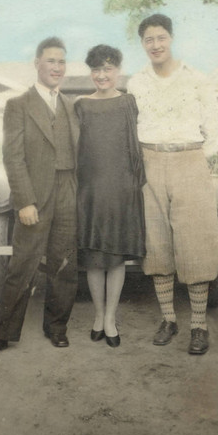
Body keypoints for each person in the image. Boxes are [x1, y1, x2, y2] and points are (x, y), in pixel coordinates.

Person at [0, 37, 79, 362]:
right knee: (21, 266)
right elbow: (13, 157)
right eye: (51, 61)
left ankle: (56, 327)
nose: (57, 68)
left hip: (67, 191)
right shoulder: (18, 105)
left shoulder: (71, 106)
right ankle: (0, 335)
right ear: (37, 63)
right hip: (35, 194)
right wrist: (24, 201)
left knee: (64, 265)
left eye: (61, 62)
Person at [128, 14, 218, 355]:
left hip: (189, 160)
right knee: (157, 244)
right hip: (150, 162)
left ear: (171, 38)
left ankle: (199, 326)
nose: (155, 45)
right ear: (143, 44)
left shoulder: (196, 78)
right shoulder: (137, 82)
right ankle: (169, 319)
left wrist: (195, 155)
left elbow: (214, 124)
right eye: (148, 39)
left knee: (195, 242)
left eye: (161, 37)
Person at [75, 44, 146, 348]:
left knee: (115, 257)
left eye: (107, 68)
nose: (102, 75)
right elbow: (76, 150)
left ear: (117, 70)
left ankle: (110, 318)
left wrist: (134, 184)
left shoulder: (128, 103)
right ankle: (97, 315)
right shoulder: (80, 105)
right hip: (90, 190)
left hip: (120, 189)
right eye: (96, 69)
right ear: (90, 72)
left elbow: (135, 147)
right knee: (94, 258)